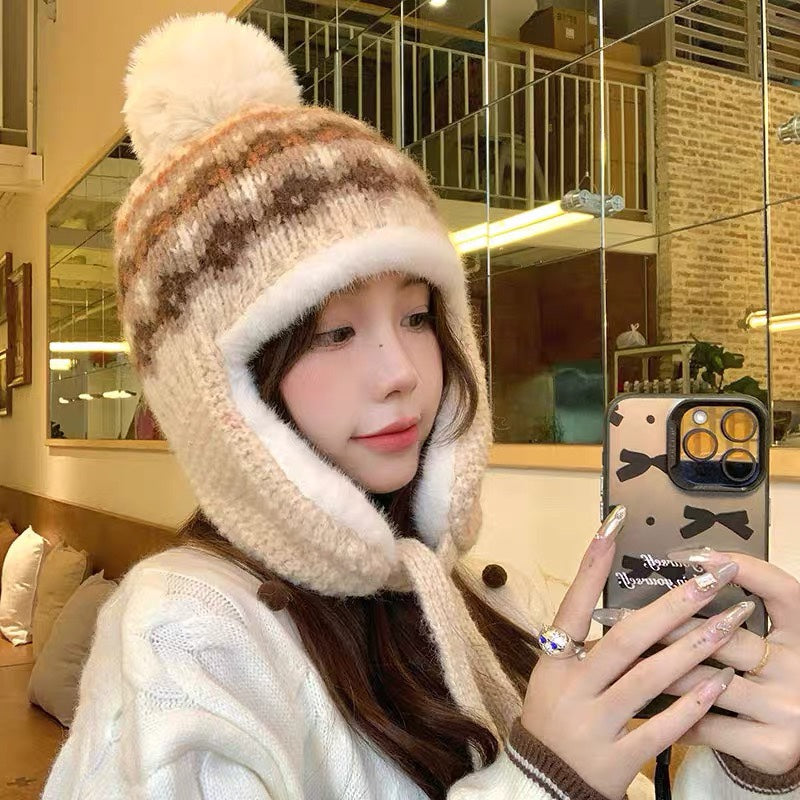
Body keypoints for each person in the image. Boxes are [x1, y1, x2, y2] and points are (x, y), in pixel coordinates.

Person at [41, 13, 800, 800]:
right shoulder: (182, 631)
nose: (401, 371)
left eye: (415, 317)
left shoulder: (462, 589)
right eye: (334, 332)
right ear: (218, 387)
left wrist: (752, 766)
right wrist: (546, 782)